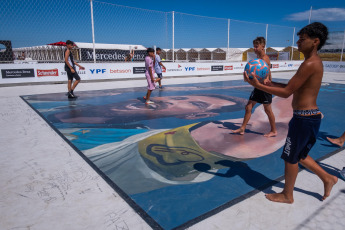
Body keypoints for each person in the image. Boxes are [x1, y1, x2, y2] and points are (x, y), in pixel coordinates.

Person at [245, 22, 338, 203]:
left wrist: (258, 85)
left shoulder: (310, 64)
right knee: (300, 155)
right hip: (306, 118)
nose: (298, 43)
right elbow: (291, 88)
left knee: (291, 157)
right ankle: (328, 178)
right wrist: (269, 84)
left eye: (302, 40)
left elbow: (287, 93)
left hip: (304, 119)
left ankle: (287, 195)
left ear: (315, 41)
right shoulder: (310, 62)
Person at [232, 37, 277, 137]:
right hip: (258, 87)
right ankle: (242, 128)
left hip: (265, 88)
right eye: (254, 47)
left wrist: (266, 80)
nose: (254, 49)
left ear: (263, 47)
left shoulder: (265, 59)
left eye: (256, 47)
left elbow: (267, 73)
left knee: (268, 110)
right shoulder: (257, 60)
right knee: (248, 107)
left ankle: (274, 131)